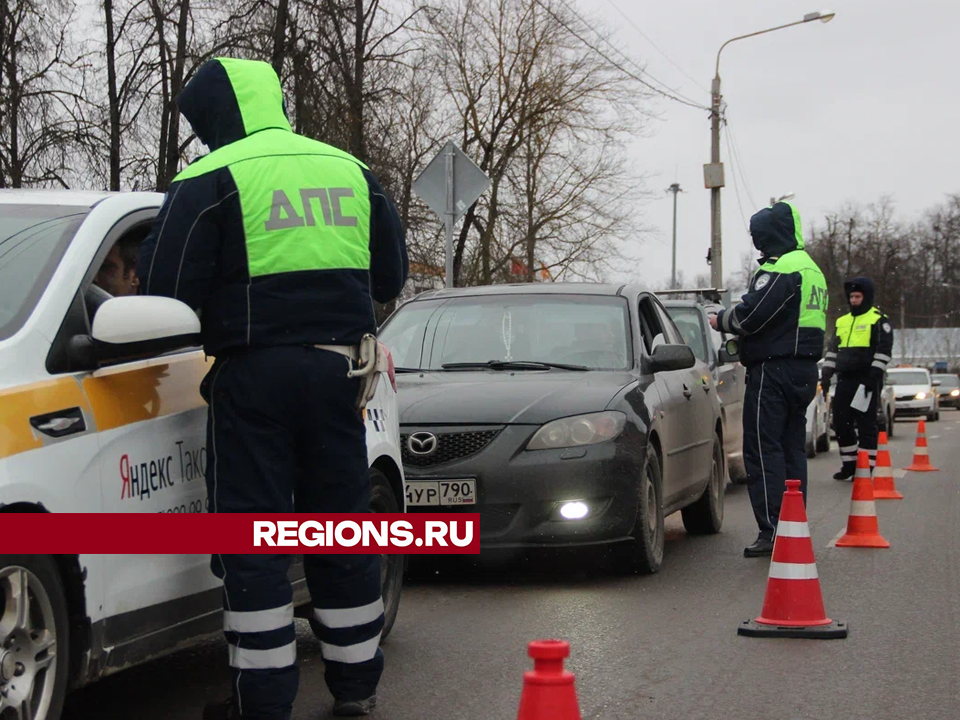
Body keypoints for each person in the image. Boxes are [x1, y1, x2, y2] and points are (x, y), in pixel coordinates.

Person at [137, 57, 408, 719]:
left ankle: (262, 699)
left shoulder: (207, 179)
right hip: (340, 373)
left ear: (213, 119)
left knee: (257, 537)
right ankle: (356, 686)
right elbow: (390, 276)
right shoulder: (349, 170)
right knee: (341, 528)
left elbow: (162, 294)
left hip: (254, 379)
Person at [708, 200, 827, 557]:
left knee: (762, 449)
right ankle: (793, 523)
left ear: (768, 236)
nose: (758, 245)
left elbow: (753, 315)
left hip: (774, 370)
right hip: (804, 370)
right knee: (791, 449)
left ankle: (773, 528)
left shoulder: (782, 267)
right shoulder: (812, 269)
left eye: (758, 237)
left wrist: (722, 319)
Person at [819, 276, 893, 480]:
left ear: (866, 297)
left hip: (866, 380)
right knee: (841, 422)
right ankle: (849, 464)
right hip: (845, 379)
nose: (853, 300)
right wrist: (826, 376)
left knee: (865, 423)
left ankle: (867, 466)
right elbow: (832, 352)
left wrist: (873, 377)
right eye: (851, 296)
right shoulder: (842, 321)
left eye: (857, 296)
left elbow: (884, 351)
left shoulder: (878, 319)